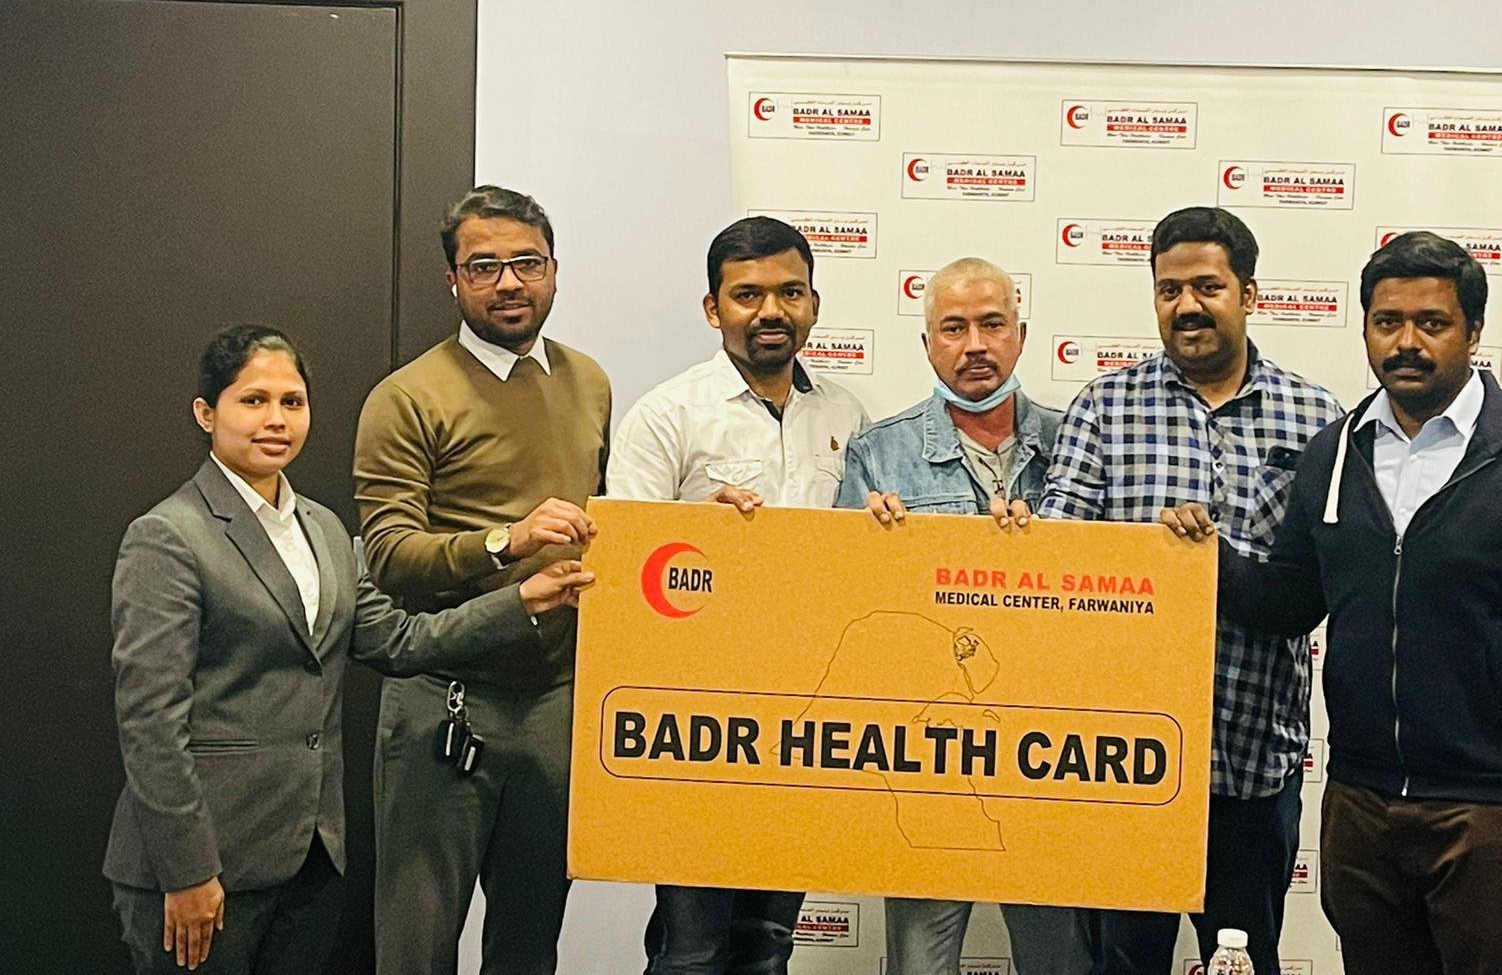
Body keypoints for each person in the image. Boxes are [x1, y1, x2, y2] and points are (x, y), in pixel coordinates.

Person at [104, 325, 591, 974]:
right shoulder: (168, 536)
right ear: (206, 412)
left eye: (292, 401)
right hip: (204, 869)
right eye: (253, 401)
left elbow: (400, 640)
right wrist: (188, 871)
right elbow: (150, 724)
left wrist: (522, 600)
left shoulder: (325, 529)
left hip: (309, 862)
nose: (276, 420)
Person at [1199, 231, 1502, 975]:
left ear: (1474, 333)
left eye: (1432, 323)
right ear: (1365, 330)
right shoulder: (1333, 453)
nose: (1406, 342)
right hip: (1361, 808)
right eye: (1387, 322)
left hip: (1498, 815)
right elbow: (1290, 603)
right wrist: (1199, 557)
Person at [1038, 207, 1341, 975]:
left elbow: (1317, 586)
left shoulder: (1316, 417)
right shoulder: (1104, 408)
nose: (1187, 305)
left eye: (1207, 286)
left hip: (1251, 760)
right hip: (1123, 764)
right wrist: (1148, 560)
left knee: (1245, 962)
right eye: (1169, 289)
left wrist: (1213, 562)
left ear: (1249, 293)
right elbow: (1055, 567)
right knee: (1120, 965)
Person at [353, 186, 611, 975]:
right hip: (445, 698)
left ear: (554, 270)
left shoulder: (590, 381)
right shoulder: (406, 397)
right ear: (453, 280)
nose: (508, 283)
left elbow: (614, 519)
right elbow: (389, 554)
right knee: (416, 946)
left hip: (556, 703)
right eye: (484, 266)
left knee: (530, 945)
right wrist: (505, 542)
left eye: (526, 262)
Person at [607, 215, 870, 975]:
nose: (771, 311)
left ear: (813, 304)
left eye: (790, 292)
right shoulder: (668, 413)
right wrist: (695, 532)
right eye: (748, 294)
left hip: (807, 719)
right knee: (691, 949)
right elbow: (626, 568)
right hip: (695, 721)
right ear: (713, 308)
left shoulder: (849, 416)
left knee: (768, 945)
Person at [833, 256, 1092, 975]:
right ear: (927, 345)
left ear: (1021, 336)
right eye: (953, 328)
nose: (974, 345)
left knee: (1059, 961)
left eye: (991, 324)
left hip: (1050, 756)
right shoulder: (878, 454)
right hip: (929, 762)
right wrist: (866, 546)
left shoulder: (1078, 442)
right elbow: (847, 609)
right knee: (919, 964)